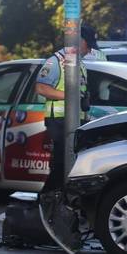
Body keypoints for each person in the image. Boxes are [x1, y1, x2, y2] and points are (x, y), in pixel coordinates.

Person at [36, 25, 100, 191]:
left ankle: (56, 203)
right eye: (89, 44)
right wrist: (70, 96)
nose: (90, 49)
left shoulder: (80, 64)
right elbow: (41, 88)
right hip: (59, 121)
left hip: (75, 121)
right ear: (80, 41)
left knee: (69, 164)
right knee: (61, 163)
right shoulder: (56, 61)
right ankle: (47, 200)